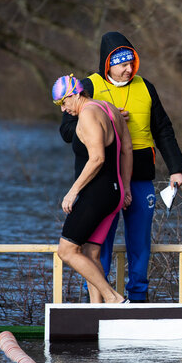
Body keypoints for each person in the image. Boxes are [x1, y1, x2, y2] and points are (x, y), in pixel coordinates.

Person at [60, 32, 182, 302]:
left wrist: (176, 168)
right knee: (97, 245)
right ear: (107, 64)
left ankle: (138, 297)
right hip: (102, 177)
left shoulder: (146, 86)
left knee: (139, 242)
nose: (128, 68)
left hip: (139, 175)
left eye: (131, 62)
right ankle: (98, 299)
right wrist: (105, 117)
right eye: (121, 64)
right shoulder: (87, 87)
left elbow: (163, 129)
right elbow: (66, 129)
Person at [52, 75, 133, 303]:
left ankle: (114, 299)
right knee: (90, 253)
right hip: (113, 192)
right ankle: (97, 310)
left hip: (97, 193)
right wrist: (125, 187)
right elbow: (126, 148)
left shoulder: (87, 115)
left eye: (63, 102)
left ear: (76, 94)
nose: (63, 109)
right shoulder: (108, 108)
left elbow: (97, 158)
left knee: (66, 251)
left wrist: (73, 191)